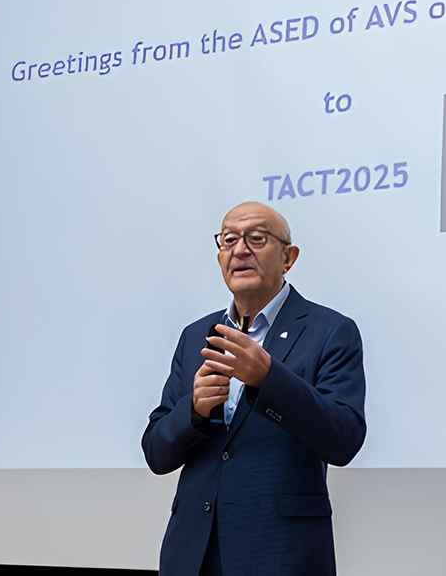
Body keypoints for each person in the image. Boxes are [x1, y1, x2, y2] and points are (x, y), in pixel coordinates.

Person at [142, 201, 367, 576]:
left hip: (279, 555)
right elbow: (156, 452)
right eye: (229, 240)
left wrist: (269, 378)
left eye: (257, 238)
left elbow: (344, 440)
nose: (240, 250)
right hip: (192, 556)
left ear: (288, 258)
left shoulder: (331, 331)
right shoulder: (195, 336)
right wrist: (193, 410)